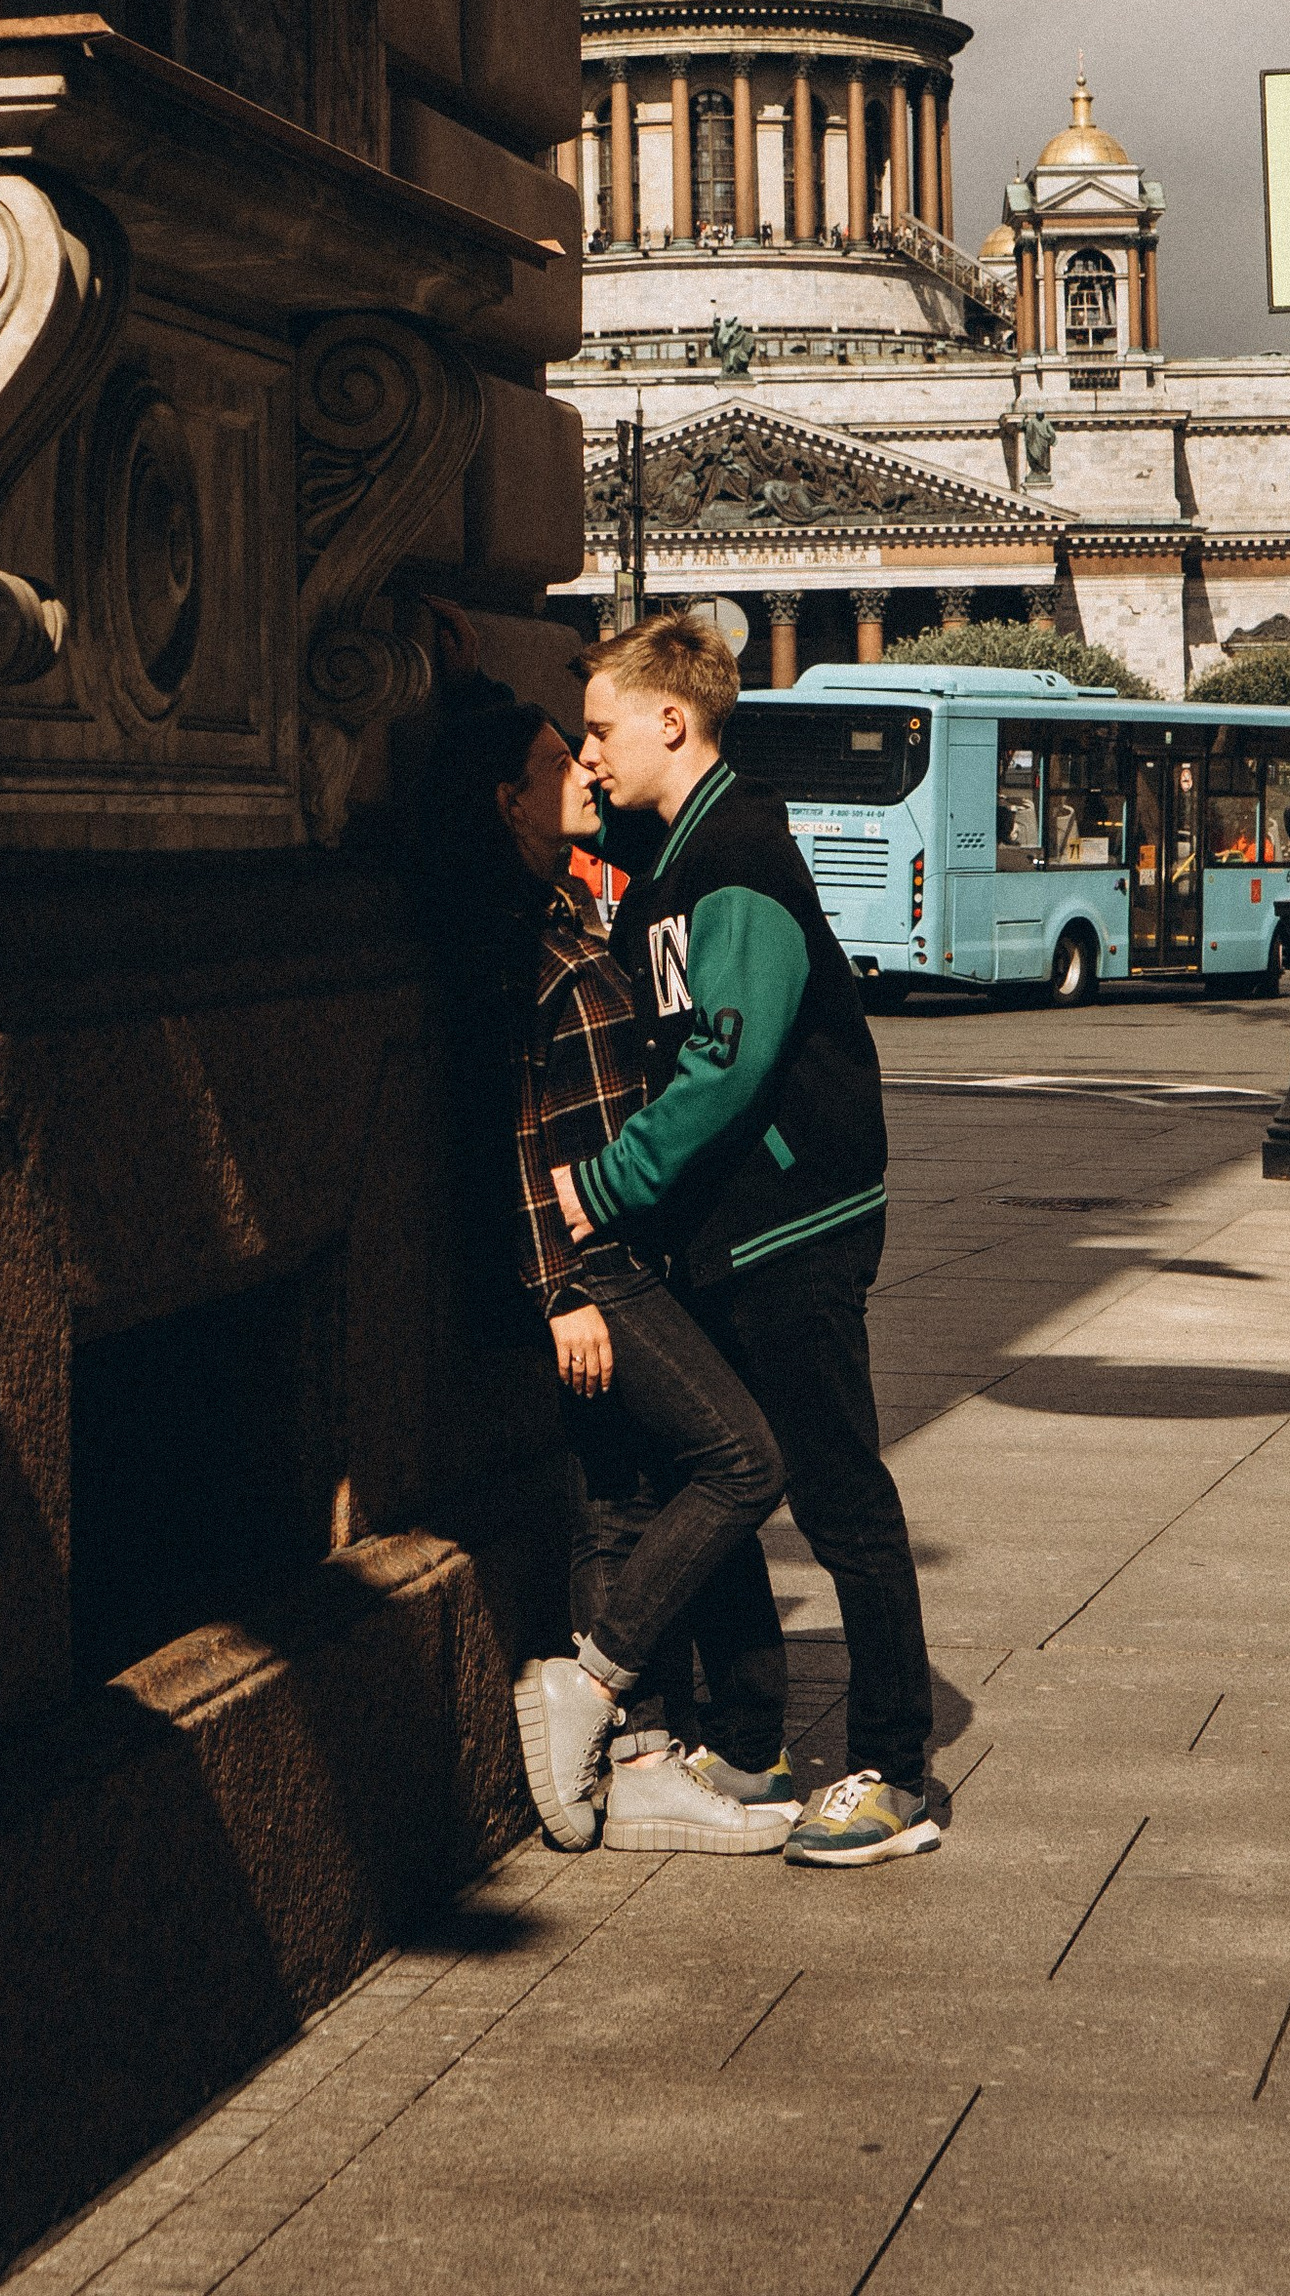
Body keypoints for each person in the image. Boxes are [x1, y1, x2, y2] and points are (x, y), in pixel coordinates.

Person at [560, 611, 941, 1868]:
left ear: (671, 722)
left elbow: (726, 1068)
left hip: (794, 1223)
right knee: (720, 1474)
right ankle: (746, 1743)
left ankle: (896, 1773)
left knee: (838, 1497)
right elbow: (587, 821)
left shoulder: (736, 859)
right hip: (727, 1230)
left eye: (601, 730)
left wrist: (607, 1185)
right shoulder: (679, 848)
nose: (587, 756)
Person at [420, 672, 800, 1861]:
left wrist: (461, 657)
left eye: (588, 741)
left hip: (626, 1246)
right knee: (744, 1460)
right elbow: (505, 1135)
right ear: (507, 801)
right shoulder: (502, 940)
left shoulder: (565, 901)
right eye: (559, 758)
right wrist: (561, 1291)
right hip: (590, 1264)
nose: (586, 765)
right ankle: (587, 1683)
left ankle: (637, 1769)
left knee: (618, 1495)